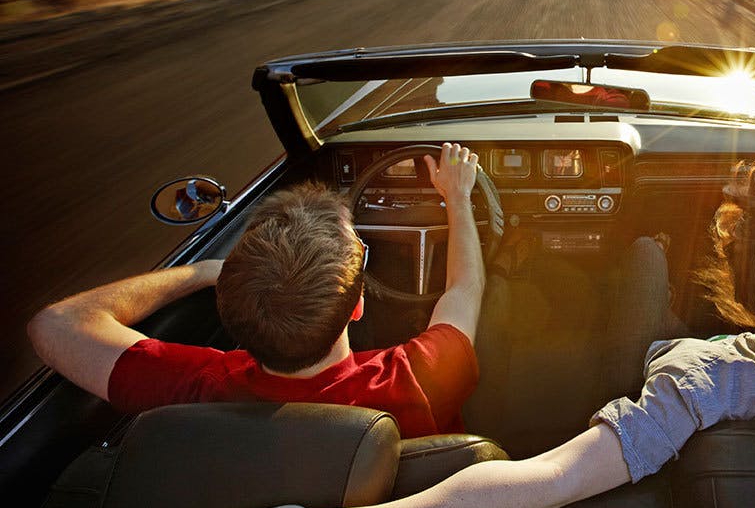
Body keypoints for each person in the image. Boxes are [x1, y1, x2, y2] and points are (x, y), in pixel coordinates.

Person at [191, 162, 755, 508]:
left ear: (737, 289)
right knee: (642, 256)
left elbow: (539, 480)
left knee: (643, 262)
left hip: (665, 387)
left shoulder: (697, 377)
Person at [27, 143, 485, 439]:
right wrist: (457, 198)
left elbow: (55, 324)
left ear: (232, 306)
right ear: (359, 305)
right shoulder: (418, 381)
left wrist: (204, 272)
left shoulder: (195, 388)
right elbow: (465, 287)